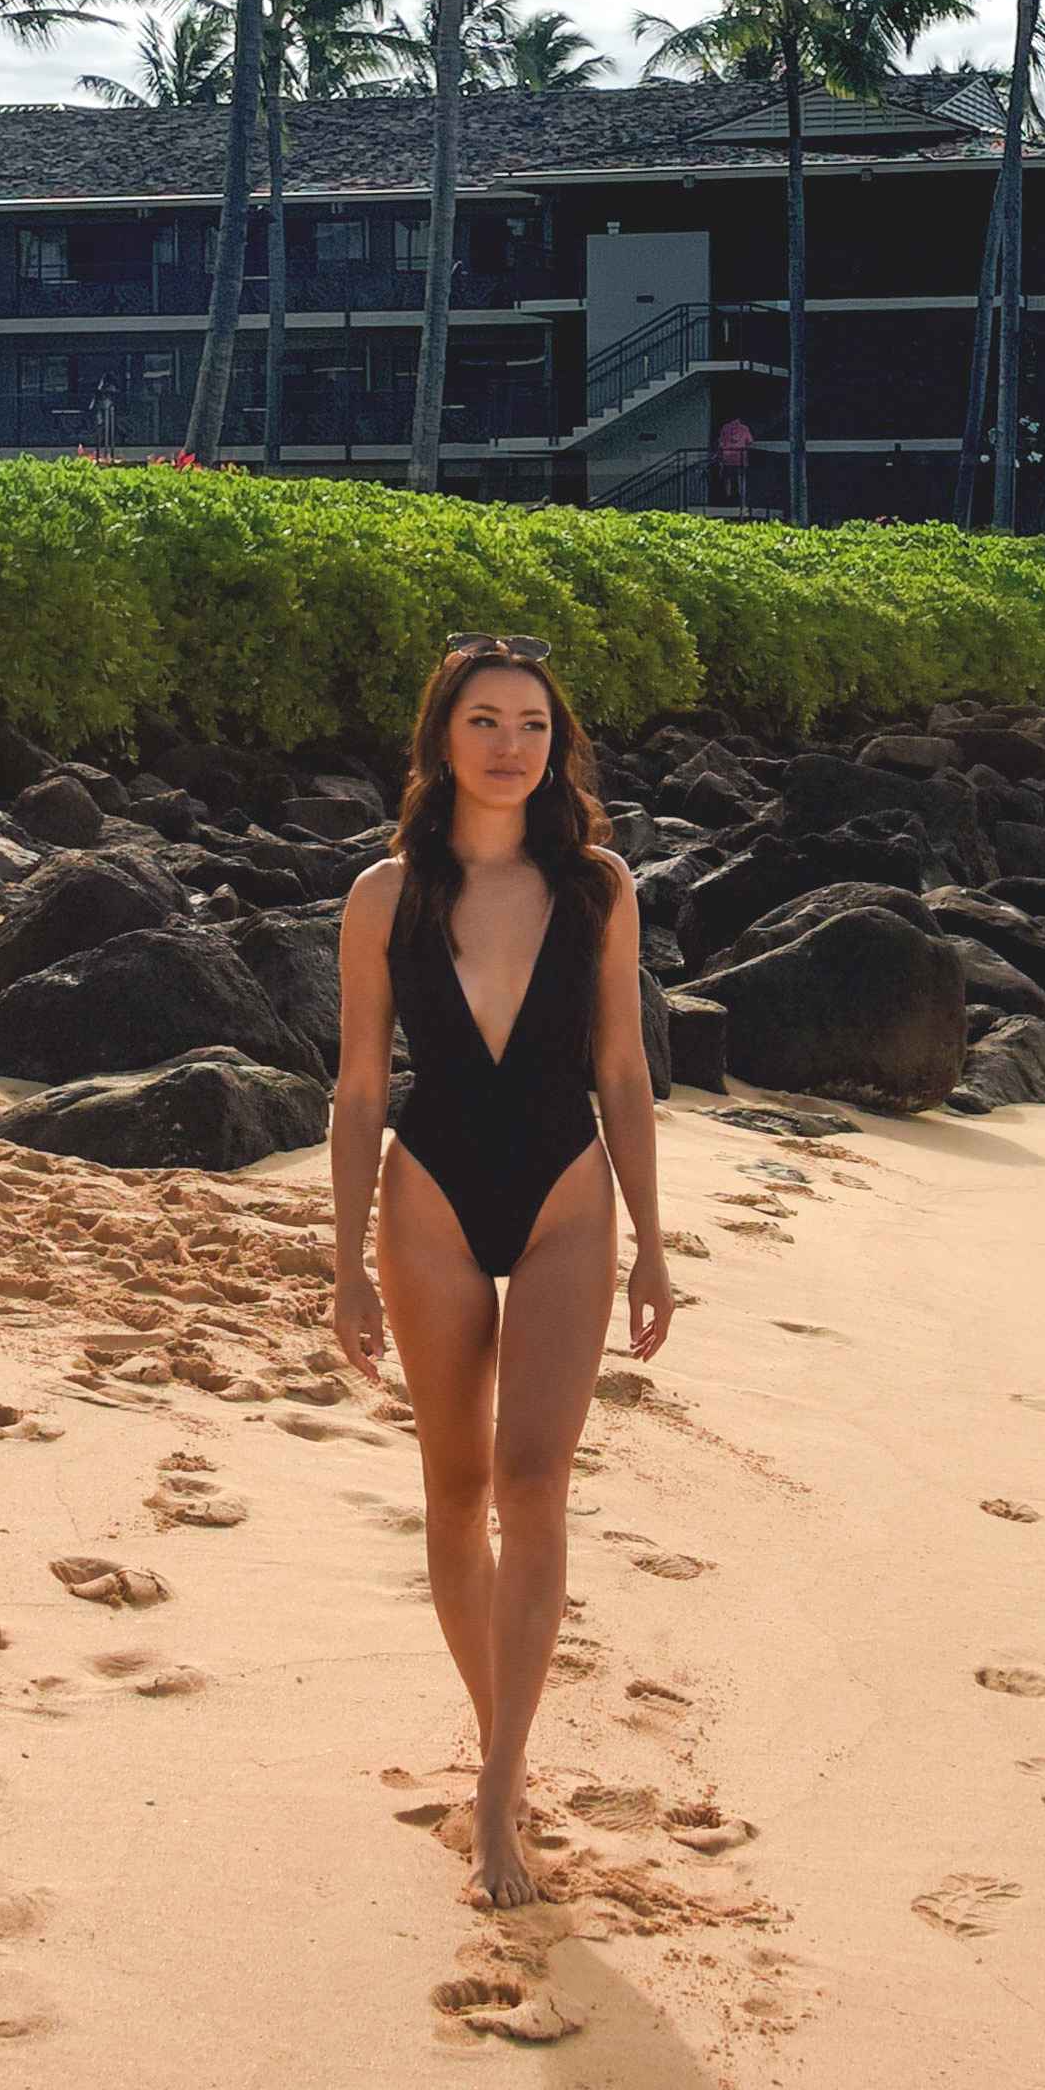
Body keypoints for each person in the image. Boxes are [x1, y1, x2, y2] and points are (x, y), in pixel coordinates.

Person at [331, 635, 673, 1907]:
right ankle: (502, 1745)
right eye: (483, 720)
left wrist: (652, 1242)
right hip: (425, 1197)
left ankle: (497, 1783)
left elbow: (623, 1070)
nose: (509, 745)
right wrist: (343, 1263)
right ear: (441, 737)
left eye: (532, 724)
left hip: (564, 1199)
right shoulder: (382, 898)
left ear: (555, 742)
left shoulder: (596, 884)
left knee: (533, 1487)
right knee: (453, 1484)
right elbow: (360, 1084)